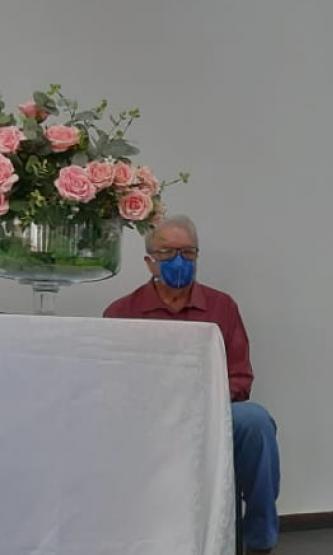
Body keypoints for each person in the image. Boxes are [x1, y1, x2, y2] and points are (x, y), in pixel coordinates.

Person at [104, 215, 280, 554]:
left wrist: (203, 400)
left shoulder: (222, 306)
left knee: (255, 421)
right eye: (167, 253)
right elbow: (112, 385)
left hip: (208, 413)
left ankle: (260, 539)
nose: (179, 261)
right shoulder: (122, 311)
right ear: (149, 261)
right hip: (145, 419)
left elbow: (240, 377)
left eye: (187, 252)